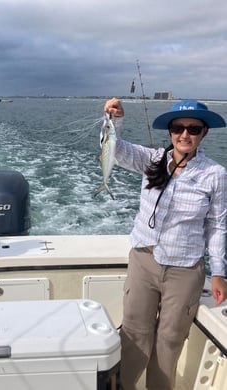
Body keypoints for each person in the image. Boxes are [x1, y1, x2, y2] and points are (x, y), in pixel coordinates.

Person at [104, 97, 227, 390]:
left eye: (193, 129)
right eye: (178, 128)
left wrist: (219, 273)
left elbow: (218, 224)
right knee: (134, 333)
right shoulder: (152, 159)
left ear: (204, 133)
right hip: (144, 261)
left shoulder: (215, 174)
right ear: (170, 131)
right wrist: (114, 119)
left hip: (184, 269)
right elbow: (116, 151)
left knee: (170, 339)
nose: (185, 134)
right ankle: (124, 386)